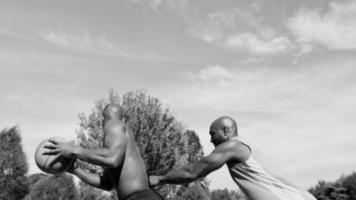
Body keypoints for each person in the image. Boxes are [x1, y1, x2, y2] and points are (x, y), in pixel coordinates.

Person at [149, 116, 316, 200]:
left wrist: (159, 179)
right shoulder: (242, 146)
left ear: (226, 131)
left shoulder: (233, 146)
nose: (211, 139)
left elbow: (194, 172)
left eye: (212, 134)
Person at [44, 103, 164, 200]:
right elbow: (107, 184)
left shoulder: (114, 125)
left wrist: (74, 150)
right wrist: (75, 170)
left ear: (103, 118)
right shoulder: (119, 143)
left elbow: (112, 159)